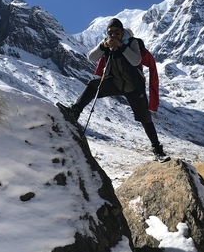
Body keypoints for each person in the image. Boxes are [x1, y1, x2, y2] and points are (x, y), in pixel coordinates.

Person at [60, 18, 170, 162]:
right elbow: (91, 57)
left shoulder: (132, 43)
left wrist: (121, 47)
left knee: (145, 117)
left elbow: (136, 60)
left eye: (116, 32)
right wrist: (105, 45)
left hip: (134, 87)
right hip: (116, 83)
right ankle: (75, 111)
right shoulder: (107, 45)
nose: (113, 35)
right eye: (110, 32)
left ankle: (158, 150)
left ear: (122, 32)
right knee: (94, 85)